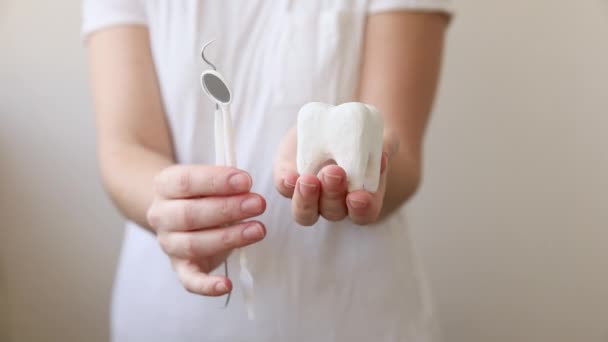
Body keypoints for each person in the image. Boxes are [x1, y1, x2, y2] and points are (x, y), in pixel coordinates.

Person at [83, 0, 452, 341]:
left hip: (354, 315)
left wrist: (371, 172)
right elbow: (124, 148)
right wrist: (175, 209)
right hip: (170, 316)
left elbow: (402, 158)